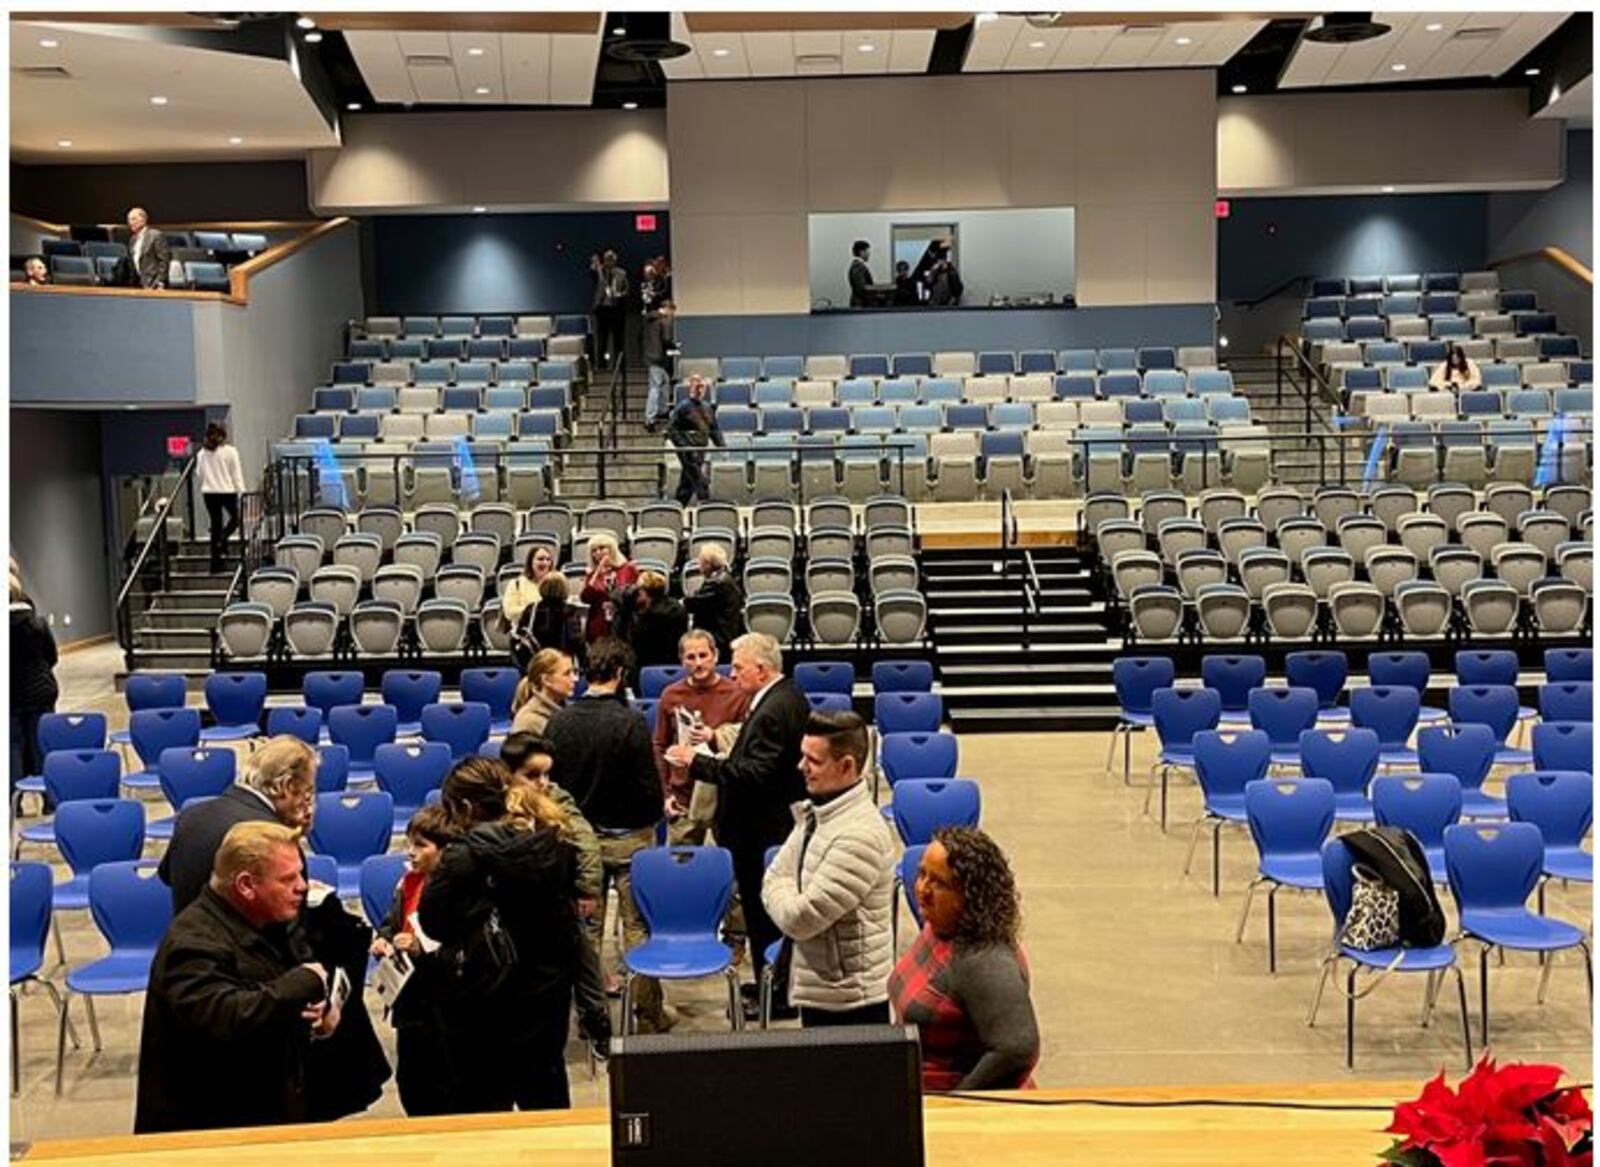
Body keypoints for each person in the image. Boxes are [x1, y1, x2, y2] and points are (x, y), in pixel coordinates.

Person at [135, 822, 335, 1133]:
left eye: (300, 874)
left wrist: (317, 1013)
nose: (303, 886)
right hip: (211, 1132)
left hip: (264, 1114)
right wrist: (303, 982)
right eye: (288, 879)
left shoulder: (265, 919)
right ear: (245, 885)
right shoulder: (193, 942)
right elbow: (225, 1016)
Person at [418, 757, 579, 1112]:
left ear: (464, 807)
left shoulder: (462, 857)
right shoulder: (553, 839)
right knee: (547, 1098)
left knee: (485, 1109)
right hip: (546, 992)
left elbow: (433, 924)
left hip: (484, 998)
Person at [666, 632, 809, 1020]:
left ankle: (775, 995)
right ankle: (770, 981)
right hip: (760, 823)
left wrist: (696, 762)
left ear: (761, 670)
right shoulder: (781, 697)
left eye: (740, 667)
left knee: (766, 912)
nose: (734, 672)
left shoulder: (776, 707)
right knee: (762, 910)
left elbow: (755, 772)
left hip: (761, 826)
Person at [544, 637, 673, 1032]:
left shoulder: (560, 720)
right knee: (638, 929)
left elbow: (555, 788)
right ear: (620, 674)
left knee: (586, 934)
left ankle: (591, 1017)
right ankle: (648, 1016)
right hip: (631, 839)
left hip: (580, 843)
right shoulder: (631, 720)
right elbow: (649, 787)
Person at [763, 711, 895, 1027]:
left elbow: (798, 919)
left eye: (813, 760)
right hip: (823, 989)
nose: (801, 767)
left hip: (851, 1003)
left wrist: (782, 894)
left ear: (846, 765)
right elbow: (773, 875)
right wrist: (784, 890)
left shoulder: (859, 836)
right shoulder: (819, 812)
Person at [889, 826, 1041, 1092]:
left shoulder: (983, 959)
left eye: (939, 883)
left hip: (955, 1117)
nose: (922, 889)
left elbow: (1018, 1049)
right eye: (922, 873)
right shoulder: (939, 925)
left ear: (969, 896)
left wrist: (959, 1104)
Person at [500, 733, 610, 1058]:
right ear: (509, 773)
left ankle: (596, 1020)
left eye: (547, 774)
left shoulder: (556, 799)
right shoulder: (494, 802)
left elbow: (586, 841)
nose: (543, 783)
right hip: (512, 910)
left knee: (585, 959)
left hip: (557, 904)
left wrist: (588, 887)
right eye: (532, 776)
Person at [159, 735, 317, 913]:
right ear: (287, 786)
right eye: (308, 793)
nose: (308, 804)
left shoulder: (190, 815)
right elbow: (291, 917)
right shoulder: (275, 840)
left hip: (186, 934)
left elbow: (167, 877)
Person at [369, 804, 457, 1117]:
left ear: (446, 850)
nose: (411, 853)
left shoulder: (457, 892)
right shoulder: (408, 883)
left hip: (442, 1005)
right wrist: (383, 937)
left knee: (443, 1087)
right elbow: (392, 923)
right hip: (408, 1000)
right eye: (409, 844)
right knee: (412, 1083)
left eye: (421, 845)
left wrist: (421, 950)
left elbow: (458, 951)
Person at [652, 629, 750, 846]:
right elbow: (660, 745)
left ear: (715, 655)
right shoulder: (671, 695)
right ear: (682, 661)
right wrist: (666, 794)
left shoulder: (737, 693)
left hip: (723, 797)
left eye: (703, 655)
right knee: (681, 870)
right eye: (691, 657)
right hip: (683, 799)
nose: (698, 663)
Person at [10, 581, 59, 800]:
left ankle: (15, 802)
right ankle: (49, 798)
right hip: (40, 692)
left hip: (11, 695)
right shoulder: (38, 625)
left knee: (13, 749)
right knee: (42, 745)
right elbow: (52, 657)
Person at [197, 422, 248, 573]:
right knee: (236, 519)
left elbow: (199, 474)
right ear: (222, 435)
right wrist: (242, 492)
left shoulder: (201, 453)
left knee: (216, 525)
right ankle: (223, 539)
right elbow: (236, 475)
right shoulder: (230, 452)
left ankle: (215, 565)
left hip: (209, 493)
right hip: (226, 491)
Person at [667, 374, 725, 505]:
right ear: (691, 388)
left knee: (687, 482)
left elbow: (714, 428)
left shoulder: (707, 407)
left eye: (702, 387)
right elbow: (671, 429)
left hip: (700, 448)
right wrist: (684, 445)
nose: (700, 390)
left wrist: (721, 445)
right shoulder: (683, 407)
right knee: (699, 479)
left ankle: (677, 507)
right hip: (687, 450)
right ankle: (707, 506)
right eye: (697, 386)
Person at [624, 570, 688, 681]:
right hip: (676, 667)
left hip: (649, 669)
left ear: (644, 592)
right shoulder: (678, 607)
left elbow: (636, 644)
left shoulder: (648, 616)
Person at [683, 542, 744, 659]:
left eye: (700, 561)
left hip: (718, 639)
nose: (698, 565)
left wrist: (680, 603)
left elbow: (694, 603)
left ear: (707, 564)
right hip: (726, 635)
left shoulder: (716, 583)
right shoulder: (726, 578)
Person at [580, 532, 639, 642]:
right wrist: (597, 572)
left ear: (612, 549)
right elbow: (585, 597)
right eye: (594, 550)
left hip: (623, 623)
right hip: (599, 626)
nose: (598, 553)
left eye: (602, 548)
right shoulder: (592, 575)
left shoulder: (628, 569)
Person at [511, 647, 579, 737]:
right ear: (546, 680)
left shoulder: (572, 711)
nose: (575, 679)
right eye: (566, 674)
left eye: (574, 672)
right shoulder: (528, 721)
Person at [523, 573, 586, 667]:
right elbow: (575, 640)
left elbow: (522, 634)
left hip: (536, 661)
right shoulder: (569, 611)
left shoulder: (531, 609)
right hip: (561, 662)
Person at [502, 543, 556, 635]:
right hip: (524, 636)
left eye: (548, 559)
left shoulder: (555, 584)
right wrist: (536, 611)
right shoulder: (516, 584)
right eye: (540, 559)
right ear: (531, 562)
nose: (545, 563)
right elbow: (510, 612)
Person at [590, 248, 629, 370]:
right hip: (602, 309)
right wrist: (595, 264)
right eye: (607, 259)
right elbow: (592, 273)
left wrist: (620, 295)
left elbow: (627, 290)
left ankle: (619, 366)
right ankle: (600, 366)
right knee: (601, 339)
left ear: (615, 260)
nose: (609, 261)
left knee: (618, 340)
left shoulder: (621, 273)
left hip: (616, 309)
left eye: (611, 259)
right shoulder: (599, 271)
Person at [642, 299, 677, 430]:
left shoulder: (649, 320)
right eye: (672, 312)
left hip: (650, 356)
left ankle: (663, 410)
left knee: (665, 382)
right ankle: (649, 419)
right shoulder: (665, 320)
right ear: (668, 309)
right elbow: (666, 340)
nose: (673, 315)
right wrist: (675, 347)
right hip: (658, 358)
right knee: (655, 387)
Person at [126, 205, 172, 290]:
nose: (130, 222)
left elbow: (164, 261)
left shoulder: (156, 235)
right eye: (129, 220)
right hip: (138, 285)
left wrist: (160, 282)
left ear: (143, 220)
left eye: (133, 219)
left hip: (154, 284)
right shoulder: (132, 240)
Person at [926, 240, 964, 307]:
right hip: (935, 304)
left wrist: (950, 304)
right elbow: (927, 284)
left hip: (947, 305)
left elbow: (957, 290)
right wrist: (932, 271)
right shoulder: (936, 272)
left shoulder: (951, 272)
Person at [848, 239, 876, 308]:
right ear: (862, 252)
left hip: (860, 303)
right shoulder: (858, 267)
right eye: (868, 251)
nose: (869, 254)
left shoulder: (857, 266)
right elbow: (861, 288)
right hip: (860, 304)